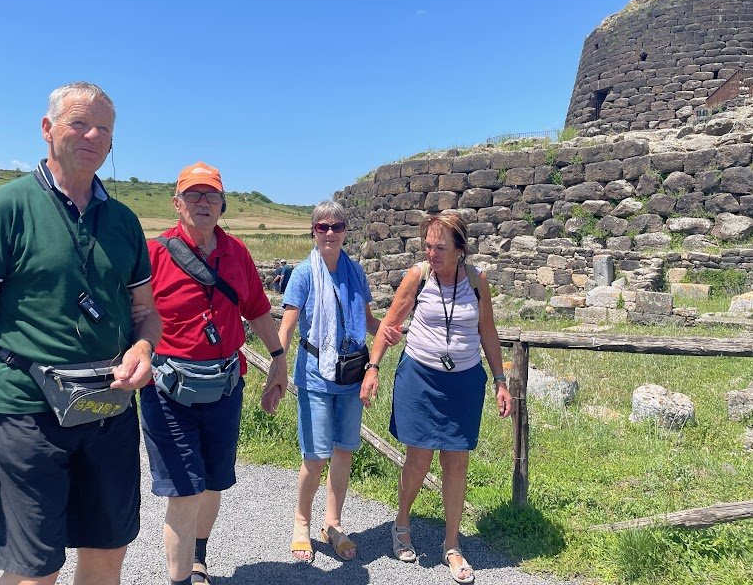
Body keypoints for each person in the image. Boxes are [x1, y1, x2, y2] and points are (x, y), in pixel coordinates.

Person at [0, 82, 162, 585]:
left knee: (108, 552)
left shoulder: (124, 222)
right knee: (34, 570)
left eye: (104, 129)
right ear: (47, 129)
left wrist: (145, 346)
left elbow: (146, 312)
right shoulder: (5, 208)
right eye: (79, 123)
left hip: (107, 408)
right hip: (26, 412)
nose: (93, 135)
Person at [140, 161, 288, 585]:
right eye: (193, 194)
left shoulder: (237, 253)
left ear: (222, 205)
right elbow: (128, 315)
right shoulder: (153, 254)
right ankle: (181, 579)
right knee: (184, 491)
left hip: (224, 389)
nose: (202, 202)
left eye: (211, 195)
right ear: (177, 203)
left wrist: (278, 359)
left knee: (212, 483)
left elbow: (258, 311)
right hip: (169, 392)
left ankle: (198, 556)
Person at [361, 212, 513, 584]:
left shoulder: (478, 281)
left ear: (461, 249)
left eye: (440, 247)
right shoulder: (418, 276)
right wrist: (374, 367)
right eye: (427, 246)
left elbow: (487, 331)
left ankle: (451, 543)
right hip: (420, 377)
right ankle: (401, 522)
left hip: (463, 382)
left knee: (457, 461)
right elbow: (390, 323)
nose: (431, 253)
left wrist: (500, 380)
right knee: (418, 457)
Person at [277, 201, 399, 563]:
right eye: (322, 227)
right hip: (315, 373)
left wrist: (390, 330)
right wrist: (277, 366)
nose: (329, 233)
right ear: (313, 231)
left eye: (336, 226)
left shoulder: (356, 272)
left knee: (344, 450)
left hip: (351, 373)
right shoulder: (302, 273)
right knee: (315, 456)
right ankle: (302, 522)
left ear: (346, 231)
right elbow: (287, 325)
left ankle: (333, 524)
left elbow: (367, 320)